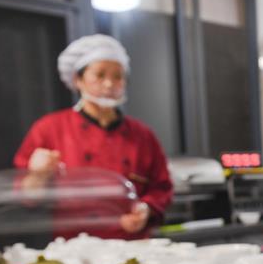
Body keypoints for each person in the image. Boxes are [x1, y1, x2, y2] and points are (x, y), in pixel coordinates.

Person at [14, 34, 173, 239]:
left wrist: (145, 209)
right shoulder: (49, 129)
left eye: (118, 76)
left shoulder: (142, 135)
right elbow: (26, 196)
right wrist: (37, 175)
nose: (109, 84)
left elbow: (162, 188)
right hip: (74, 247)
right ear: (77, 79)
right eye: (100, 75)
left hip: (132, 243)